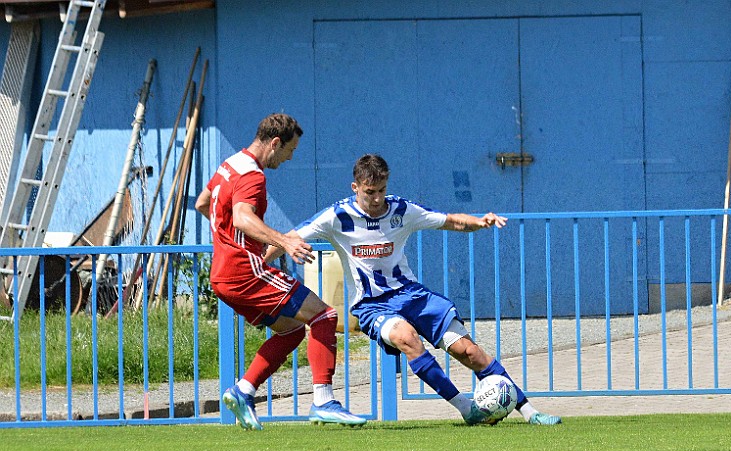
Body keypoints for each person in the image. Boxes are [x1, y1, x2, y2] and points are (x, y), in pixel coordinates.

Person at [263, 154, 561, 426]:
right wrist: (258, 265)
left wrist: (480, 221)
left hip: (413, 296)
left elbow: (450, 221)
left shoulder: (402, 210)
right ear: (355, 187)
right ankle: (466, 408)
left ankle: (529, 411)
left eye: (381, 190)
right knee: (407, 338)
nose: (377, 198)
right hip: (371, 306)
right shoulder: (336, 217)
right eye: (370, 192)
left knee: (469, 352)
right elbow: (287, 238)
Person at [194, 113, 366, 430]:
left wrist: (227, 237)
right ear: (275, 143)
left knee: (291, 330)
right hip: (244, 271)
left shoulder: (229, 165)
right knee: (325, 316)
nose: (289, 158)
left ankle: (243, 391)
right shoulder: (253, 176)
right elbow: (244, 218)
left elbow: (204, 203)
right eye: (290, 150)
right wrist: (283, 241)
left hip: (223, 274)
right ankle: (324, 401)